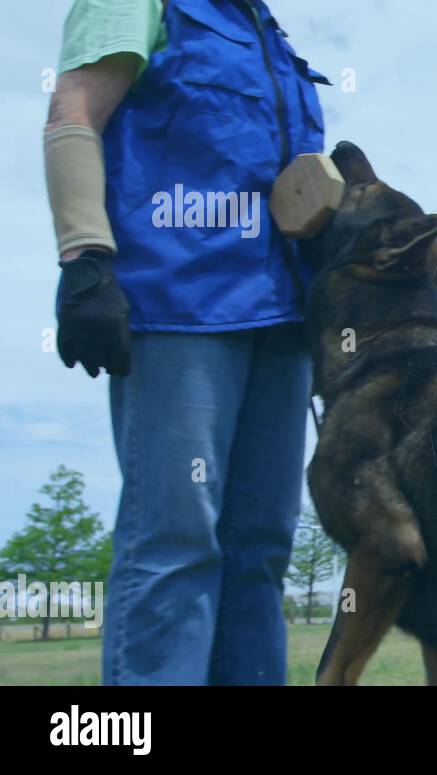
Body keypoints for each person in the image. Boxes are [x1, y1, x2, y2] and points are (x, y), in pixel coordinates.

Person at [43, 0, 329, 684]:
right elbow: (73, 112)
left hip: (280, 320)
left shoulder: (267, 32)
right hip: (179, 307)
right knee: (175, 541)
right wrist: (85, 257)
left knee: (261, 549)